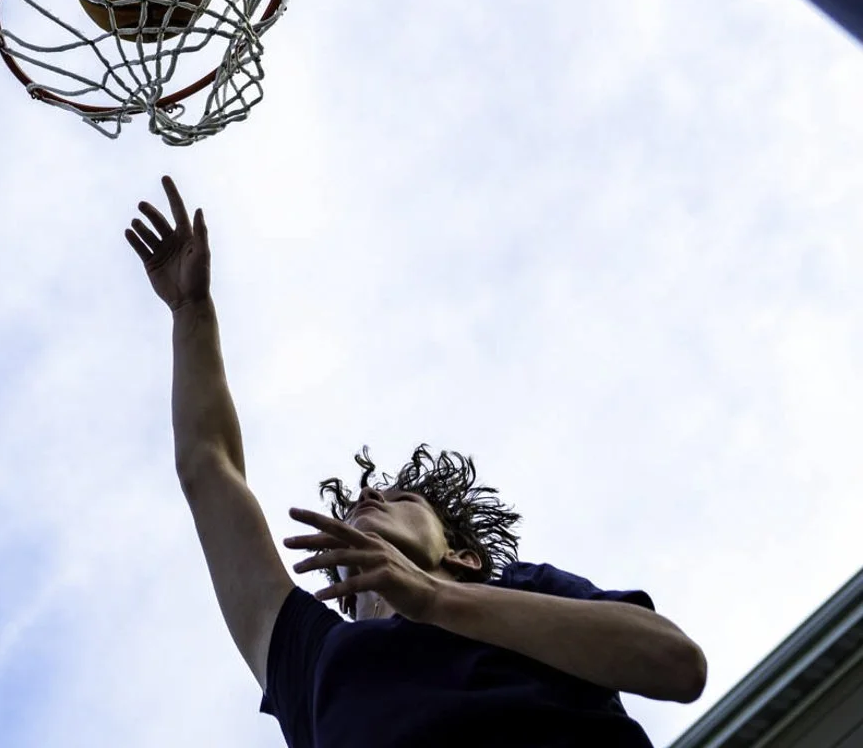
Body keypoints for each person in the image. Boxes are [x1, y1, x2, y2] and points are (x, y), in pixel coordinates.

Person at [124, 176, 707, 747]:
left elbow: (676, 664)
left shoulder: (527, 590)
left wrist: (435, 601)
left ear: (464, 555)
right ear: (346, 597)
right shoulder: (309, 659)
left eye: (401, 499)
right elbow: (208, 468)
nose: (368, 500)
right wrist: (191, 313)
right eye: (356, 509)